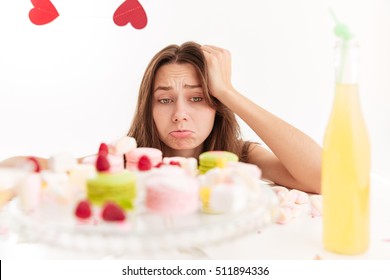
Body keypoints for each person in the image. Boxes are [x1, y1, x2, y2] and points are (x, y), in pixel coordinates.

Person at [1, 41, 321, 194]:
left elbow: (325, 179)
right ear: (148, 109)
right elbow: (31, 168)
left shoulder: (241, 157)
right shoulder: (126, 161)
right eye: (165, 100)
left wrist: (229, 92)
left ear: (217, 105)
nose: (180, 115)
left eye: (197, 98)